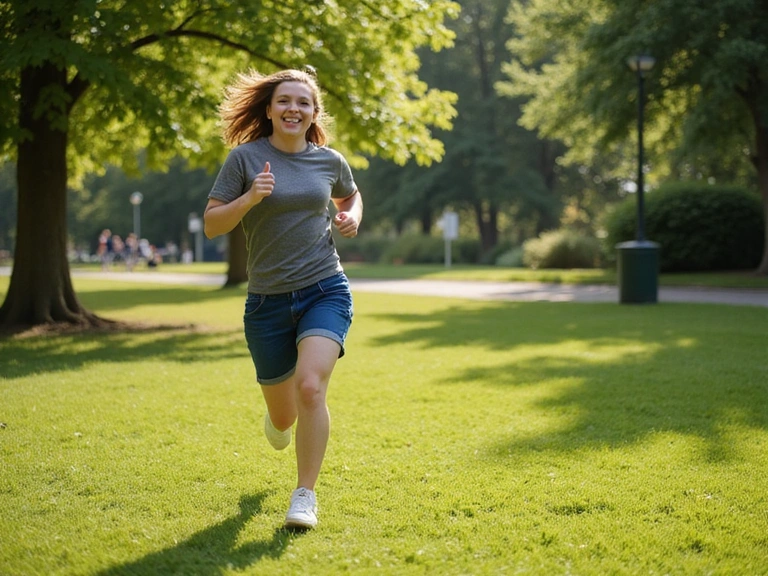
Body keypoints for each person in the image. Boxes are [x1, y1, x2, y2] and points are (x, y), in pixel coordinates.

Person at [203, 68, 363, 530]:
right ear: (270, 110)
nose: (294, 108)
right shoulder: (244, 160)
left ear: (314, 113)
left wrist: (350, 216)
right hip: (267, 302)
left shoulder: (329, 160)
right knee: (283, 412)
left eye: (304, 102)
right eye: (285, 101)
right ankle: (279, 421)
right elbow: (215, 224)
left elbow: (351, 195)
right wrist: (250, 198)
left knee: (311, 386)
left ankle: (304, 496)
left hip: (324, 288)